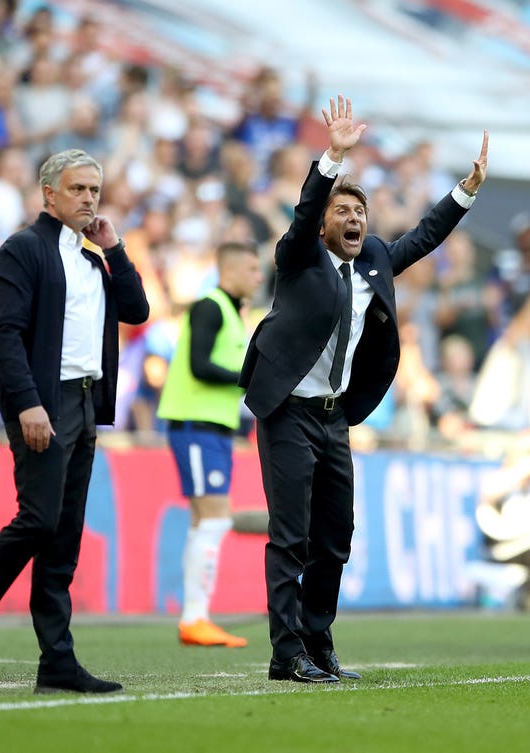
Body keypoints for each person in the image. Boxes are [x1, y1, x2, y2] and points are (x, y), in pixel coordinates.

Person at [239, 95, 488, 683]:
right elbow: (301, 214)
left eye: (361, 212)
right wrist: (331, 158)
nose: (354, 220)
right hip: (288, 413)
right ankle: (286, 653)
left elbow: (423, 237)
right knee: (291, 535)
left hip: (333, 417)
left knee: (335, 538)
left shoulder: (373, 258)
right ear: (325, 221)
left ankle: (318, 642)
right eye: (343, 211)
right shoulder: (298, 256)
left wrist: (468, 189)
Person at [0, 148, 149, 694]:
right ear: (49, 194)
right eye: (78, 189)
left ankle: (57, 660)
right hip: (43, 403)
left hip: (83, 402)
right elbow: (5, 333)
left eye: (94, 190)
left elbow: (138, 310)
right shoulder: (23, 249)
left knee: (64, 535)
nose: (89, 199)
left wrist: (116, 248)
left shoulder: (92, 256)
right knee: (39, 519)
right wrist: (28, 403)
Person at [157, 240, 263, 647]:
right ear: (229, 270)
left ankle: (195, 618)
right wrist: (249, 378)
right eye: (252, 269)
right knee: (214, 520)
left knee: (205, 521)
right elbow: (199, 366)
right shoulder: (209, 306)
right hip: (195, 424)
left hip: (212, 428)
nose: (257, 277)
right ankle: (194, 617)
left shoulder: (232, 315)